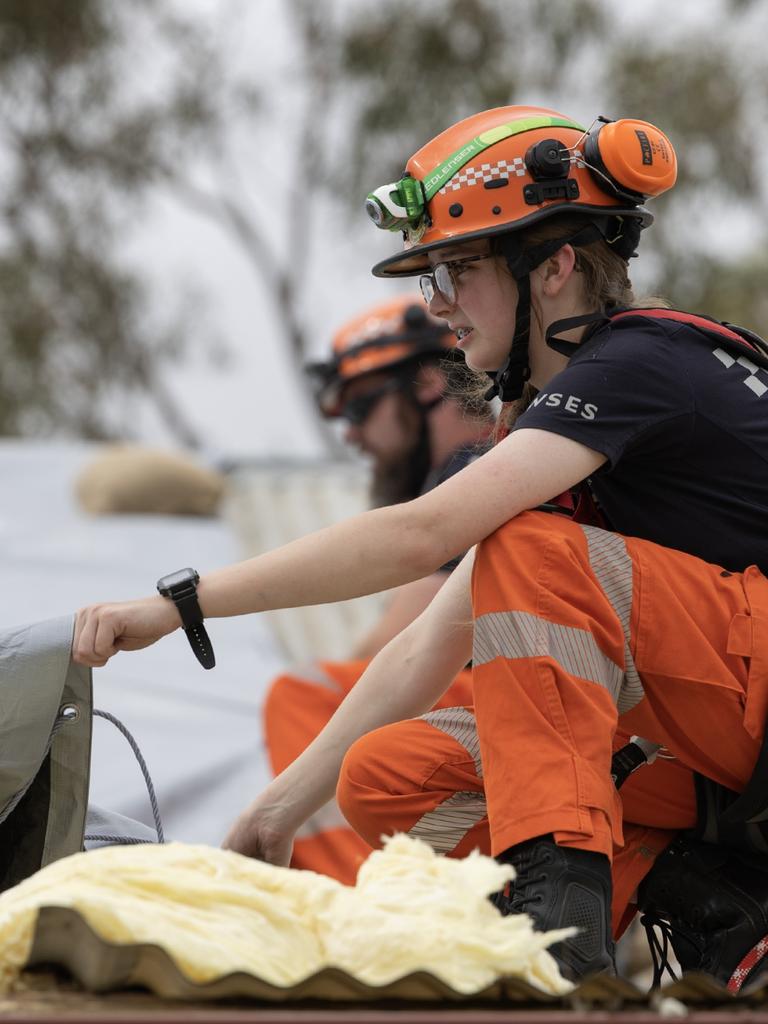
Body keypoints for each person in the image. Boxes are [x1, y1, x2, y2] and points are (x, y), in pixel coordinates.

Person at [73, 105, 768, 988]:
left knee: (528, 549)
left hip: (751, 697)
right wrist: (279, 809)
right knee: (386, 778)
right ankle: (725, 911)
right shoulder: (564, 432)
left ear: (554, 269)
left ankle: (556, 941)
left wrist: (177, 605)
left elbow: (423, 533)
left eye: (456, 270)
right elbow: (425, 642)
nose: (434, 303)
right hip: (732, 733)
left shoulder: (638, 362)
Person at [264, 296, 491, 883]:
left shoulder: (471, 475)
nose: (354, 436)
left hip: (523, 701)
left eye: (361, 407)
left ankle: (356, 900)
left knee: (306, 696)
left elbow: (397, 644)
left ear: (425, 385)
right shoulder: (491, 466)